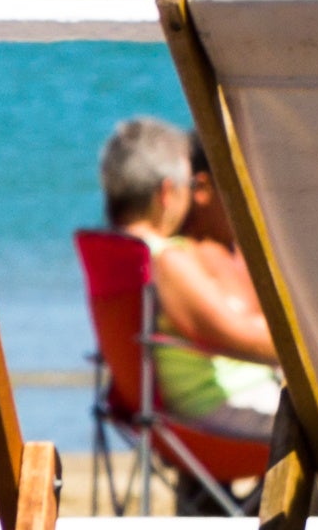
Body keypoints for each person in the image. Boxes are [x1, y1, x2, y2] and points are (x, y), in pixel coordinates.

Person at [93, 114, 283, 454]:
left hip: (167, 415)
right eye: (187, 186)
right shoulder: (165, 258)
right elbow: (235, 336)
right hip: (211, 418)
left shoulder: (116, 250)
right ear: (168, 192)